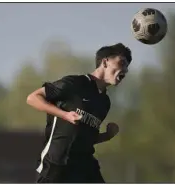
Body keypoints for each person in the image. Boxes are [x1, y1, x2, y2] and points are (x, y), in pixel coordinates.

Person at [27, 43, 132, 183]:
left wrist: (107, 136)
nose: (125, 69)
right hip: (57, 164)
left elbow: (86, 138)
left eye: (127, 66)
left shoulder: (104, 102)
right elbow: (33, 98)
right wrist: (65, 115)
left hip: (85, 166)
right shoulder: (75, 83)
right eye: (122, 62)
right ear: (105, 61)